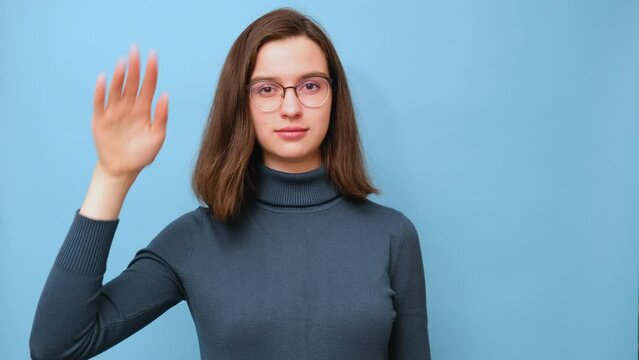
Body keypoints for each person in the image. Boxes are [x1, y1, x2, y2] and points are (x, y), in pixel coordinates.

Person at [29, 7, 431, 360]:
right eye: (267, 89)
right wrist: (112, 175)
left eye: (310, 85)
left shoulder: (391, 236)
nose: (290, 108)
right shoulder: (194, 239)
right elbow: (57, 345)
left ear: (334, 97)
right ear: (241, 104)